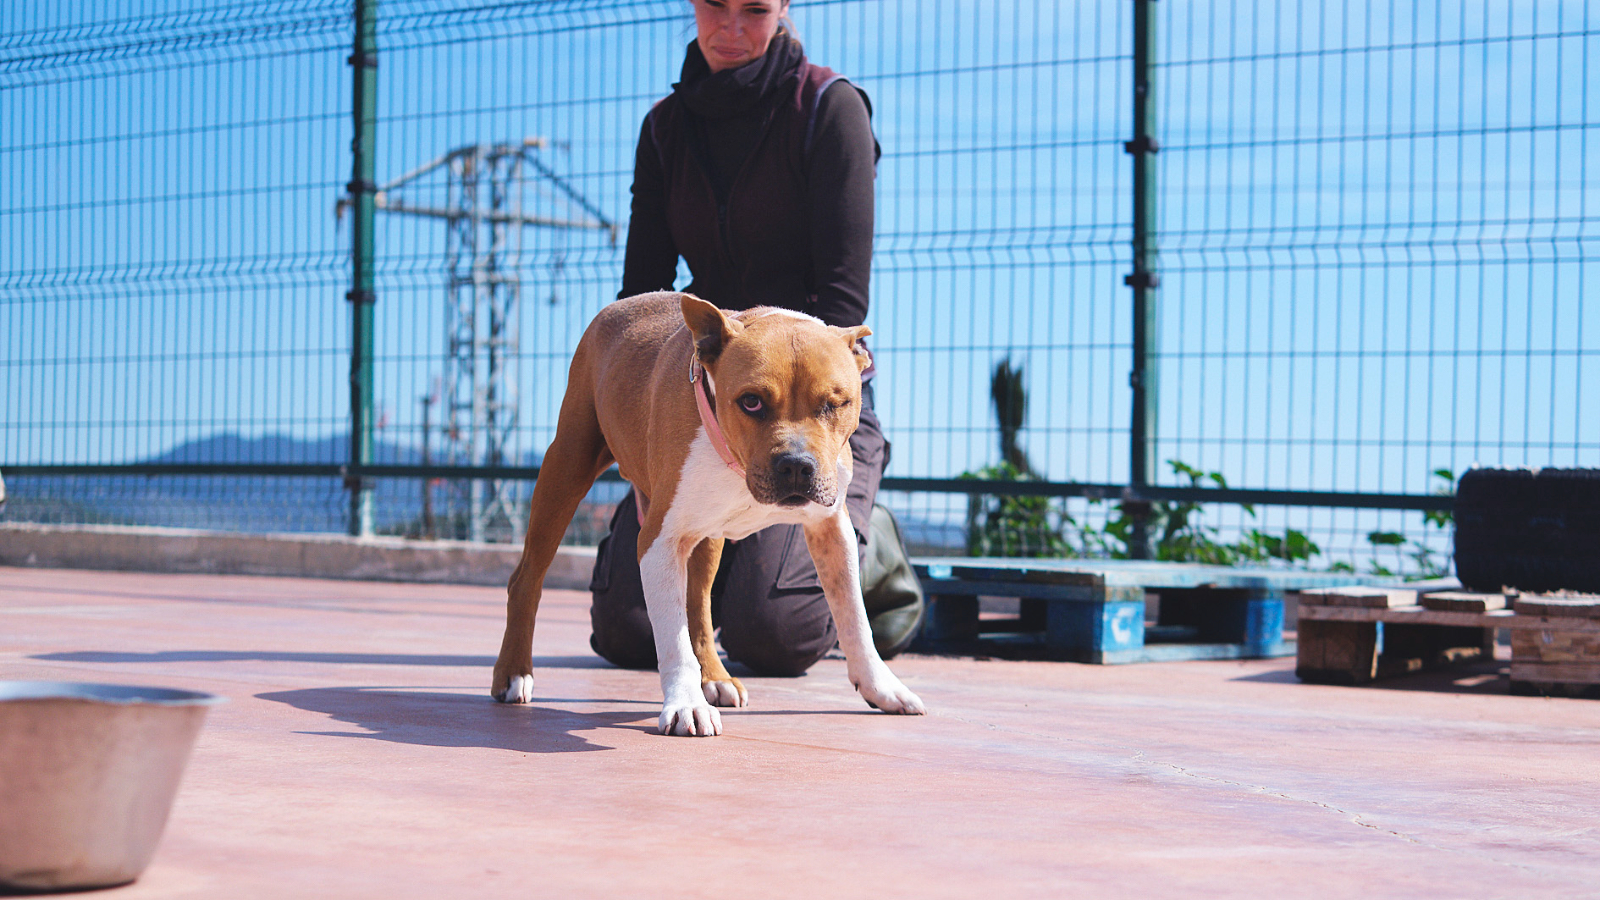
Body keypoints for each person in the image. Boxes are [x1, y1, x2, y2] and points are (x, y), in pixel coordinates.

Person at [588, 0, 924, 677]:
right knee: (629, 631)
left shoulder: (830, 109)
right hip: (712, 398)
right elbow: (643, 295)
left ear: (784, 8)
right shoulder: (664, 128)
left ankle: (866, 535)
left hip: (814, 408)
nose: (732, 27)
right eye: (715, 5)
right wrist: (661, 424)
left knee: (773, 635)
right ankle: (730, 550)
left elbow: (842, 305)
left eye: (755, 9)